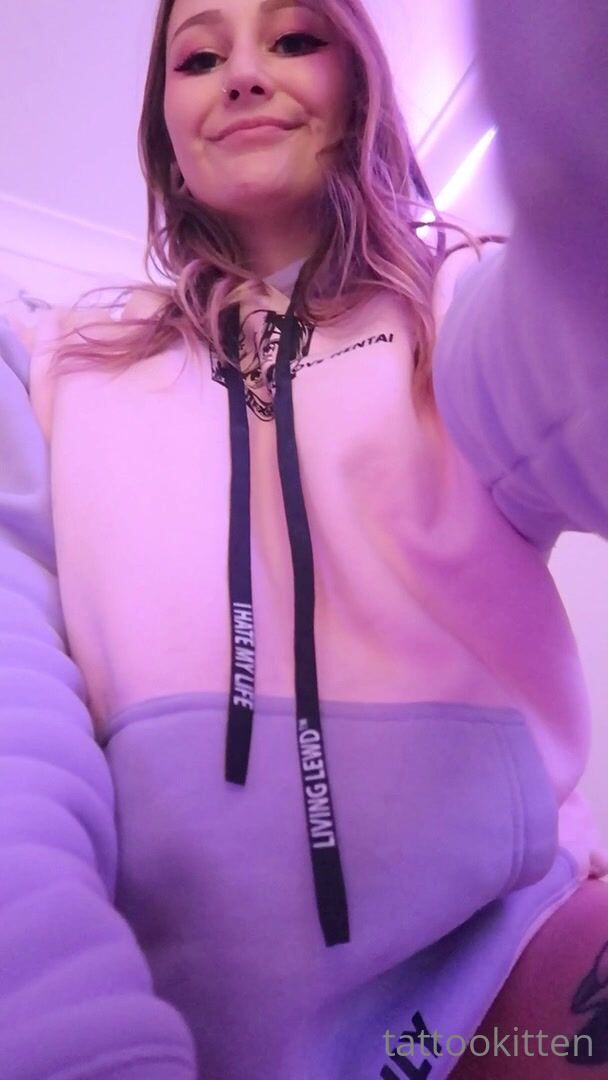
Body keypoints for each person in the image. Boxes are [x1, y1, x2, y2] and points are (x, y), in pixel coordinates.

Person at [0, 0, 606, 1077]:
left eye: (292, 40)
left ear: (359, 90)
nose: (242, 74)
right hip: (166, 1000)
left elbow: (577, 379)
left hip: (489, 969)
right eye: (198, 56)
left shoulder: (452, 311)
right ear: (165, 134)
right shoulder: (52, 365)